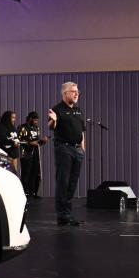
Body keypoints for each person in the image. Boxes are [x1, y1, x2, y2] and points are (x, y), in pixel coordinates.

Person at [48, 82, 86, 227]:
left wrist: (82, 148)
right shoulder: (57, 109)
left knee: (72, 183)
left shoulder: (78, 110)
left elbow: (81, 131)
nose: (76, 94)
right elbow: (51, 126)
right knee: (63, 182)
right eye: (73, 91)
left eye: (77, 91)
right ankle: (62, 216)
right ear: (65, 94)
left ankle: (67, 214)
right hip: (64, 149)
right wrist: (54, 120)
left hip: (77, 150)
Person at [18, 111, 48, 198]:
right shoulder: (22, 127)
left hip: (36, 153)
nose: (36, 122)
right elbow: (19, 141)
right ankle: (25, 193)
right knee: (26, 173)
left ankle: (33, 192)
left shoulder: (36, 128)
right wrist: (29, 143)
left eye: (37, 120)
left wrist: (43, 141)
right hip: (26, 154)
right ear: (30, 119)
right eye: (35, 120)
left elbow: (37, 142)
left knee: (35, 173)